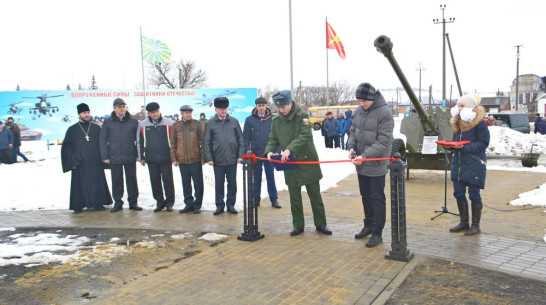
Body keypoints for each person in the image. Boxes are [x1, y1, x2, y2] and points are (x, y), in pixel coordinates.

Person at [265, 90, 332, 236]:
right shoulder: (276, 121)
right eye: (279, 108)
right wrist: (269, 151)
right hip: (290, 163)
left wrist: (289, 149)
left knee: (315, 195)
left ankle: (321, 224)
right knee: (294, 196)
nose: (281, 110)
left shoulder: (303, 117)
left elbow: (305, 135)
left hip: (307, 161)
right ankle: (298, 225)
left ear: (290, 103)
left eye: (283, 107)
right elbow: (273, 139)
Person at [347, 83, 393, 247]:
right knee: (365, 196)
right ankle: (368, 224)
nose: (361, 104)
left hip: (375, 164)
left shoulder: (385, 112)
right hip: (361, 163)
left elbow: (384, 141)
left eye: (364, 100)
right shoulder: (360, 111)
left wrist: (365, 156)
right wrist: (351, 147)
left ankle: (377, 231)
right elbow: (353, 131)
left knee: (376, 198)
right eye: (359, 100)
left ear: (372, 98)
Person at [444, 94, 490, 236]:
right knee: (458, 193)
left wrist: (464, 148)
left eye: (462, 106)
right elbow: (457, 142)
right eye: (458, 105)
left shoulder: (480, 123)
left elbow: (483, 143)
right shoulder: (457, 123)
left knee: (474, 195)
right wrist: (450, 145)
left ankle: (475, 225)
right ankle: (464, 222)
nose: (459, 108)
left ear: (470, 107)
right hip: (458, 164)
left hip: (474, 164)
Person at [61, 103, 113, 213]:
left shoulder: (96, 127)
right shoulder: (72, 129)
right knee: (79, 184)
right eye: (84, 113)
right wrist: (71, 162)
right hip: (80, 163)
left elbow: (103, 144)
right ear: (79, 114)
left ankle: (98, 203)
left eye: (88, 112)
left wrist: (105, 157)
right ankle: (78, 205)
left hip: (95, 162)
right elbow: (67, 147)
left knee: (96, 182)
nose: (87, 115)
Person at [100, 98, 142, 212]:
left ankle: (133, 203)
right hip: (114, 157)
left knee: (132, 180)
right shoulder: (108, 122)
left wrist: (139, 154)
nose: (122, 108)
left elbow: (138, 139)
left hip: (130, 156)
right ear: (114, 109)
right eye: (119, 107)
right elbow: (103, 140)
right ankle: (118, 203)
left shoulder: (133, 121)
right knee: (117, 180)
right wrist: (105, 156)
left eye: (123, 106)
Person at [204, 97, 244, 215]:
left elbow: (240, 139)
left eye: (225, 109)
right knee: (219, 184)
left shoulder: (234, 121)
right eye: (221, 109)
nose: (223, 111)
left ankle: (231, 205)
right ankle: (219, 205)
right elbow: (207, 142)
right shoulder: (210, 123)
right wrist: (209, 158)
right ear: (216, 109)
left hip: (232, 159)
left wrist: (240, 155)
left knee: (232, 183)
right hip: (218, 160)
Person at [243, 97, 281, 209]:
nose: (261, 108)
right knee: (256, 178)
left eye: (263, 105)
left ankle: (274, 199)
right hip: (256, 155)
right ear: (256, 106)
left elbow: (278, 136)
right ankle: (256, 199)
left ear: (266, 106)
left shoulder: (273, 119)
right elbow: (246, 137)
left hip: (269, 154)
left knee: (270, 177)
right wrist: (247, 151)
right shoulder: (249, 120)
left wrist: (276, 152)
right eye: (259, 106)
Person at [137, 102, 175, 212]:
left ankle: (169, 203)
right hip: (151, 158)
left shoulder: (169, 123)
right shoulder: (142, 124)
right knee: (155, 181)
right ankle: (159, 202)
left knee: (168, 180)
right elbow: (140, 141)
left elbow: (174, 141)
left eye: (157, 111)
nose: (155, 114)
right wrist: (141, 157)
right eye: (152, 113)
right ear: (148, 113)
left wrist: (174, 156)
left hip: (166, 157)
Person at [170, 105, 205, 214]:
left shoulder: (197, 125)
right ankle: (188, 204)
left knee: (198, 184)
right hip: (182, 160)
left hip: (195, 159)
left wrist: (203, 158)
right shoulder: (176, 126)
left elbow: (203, 142)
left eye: (189, 112)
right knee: (186, 184)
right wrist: (174, 158)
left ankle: (197, 205)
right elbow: (173, 143)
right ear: (181, 114)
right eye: (185, 113)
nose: (188, 114)